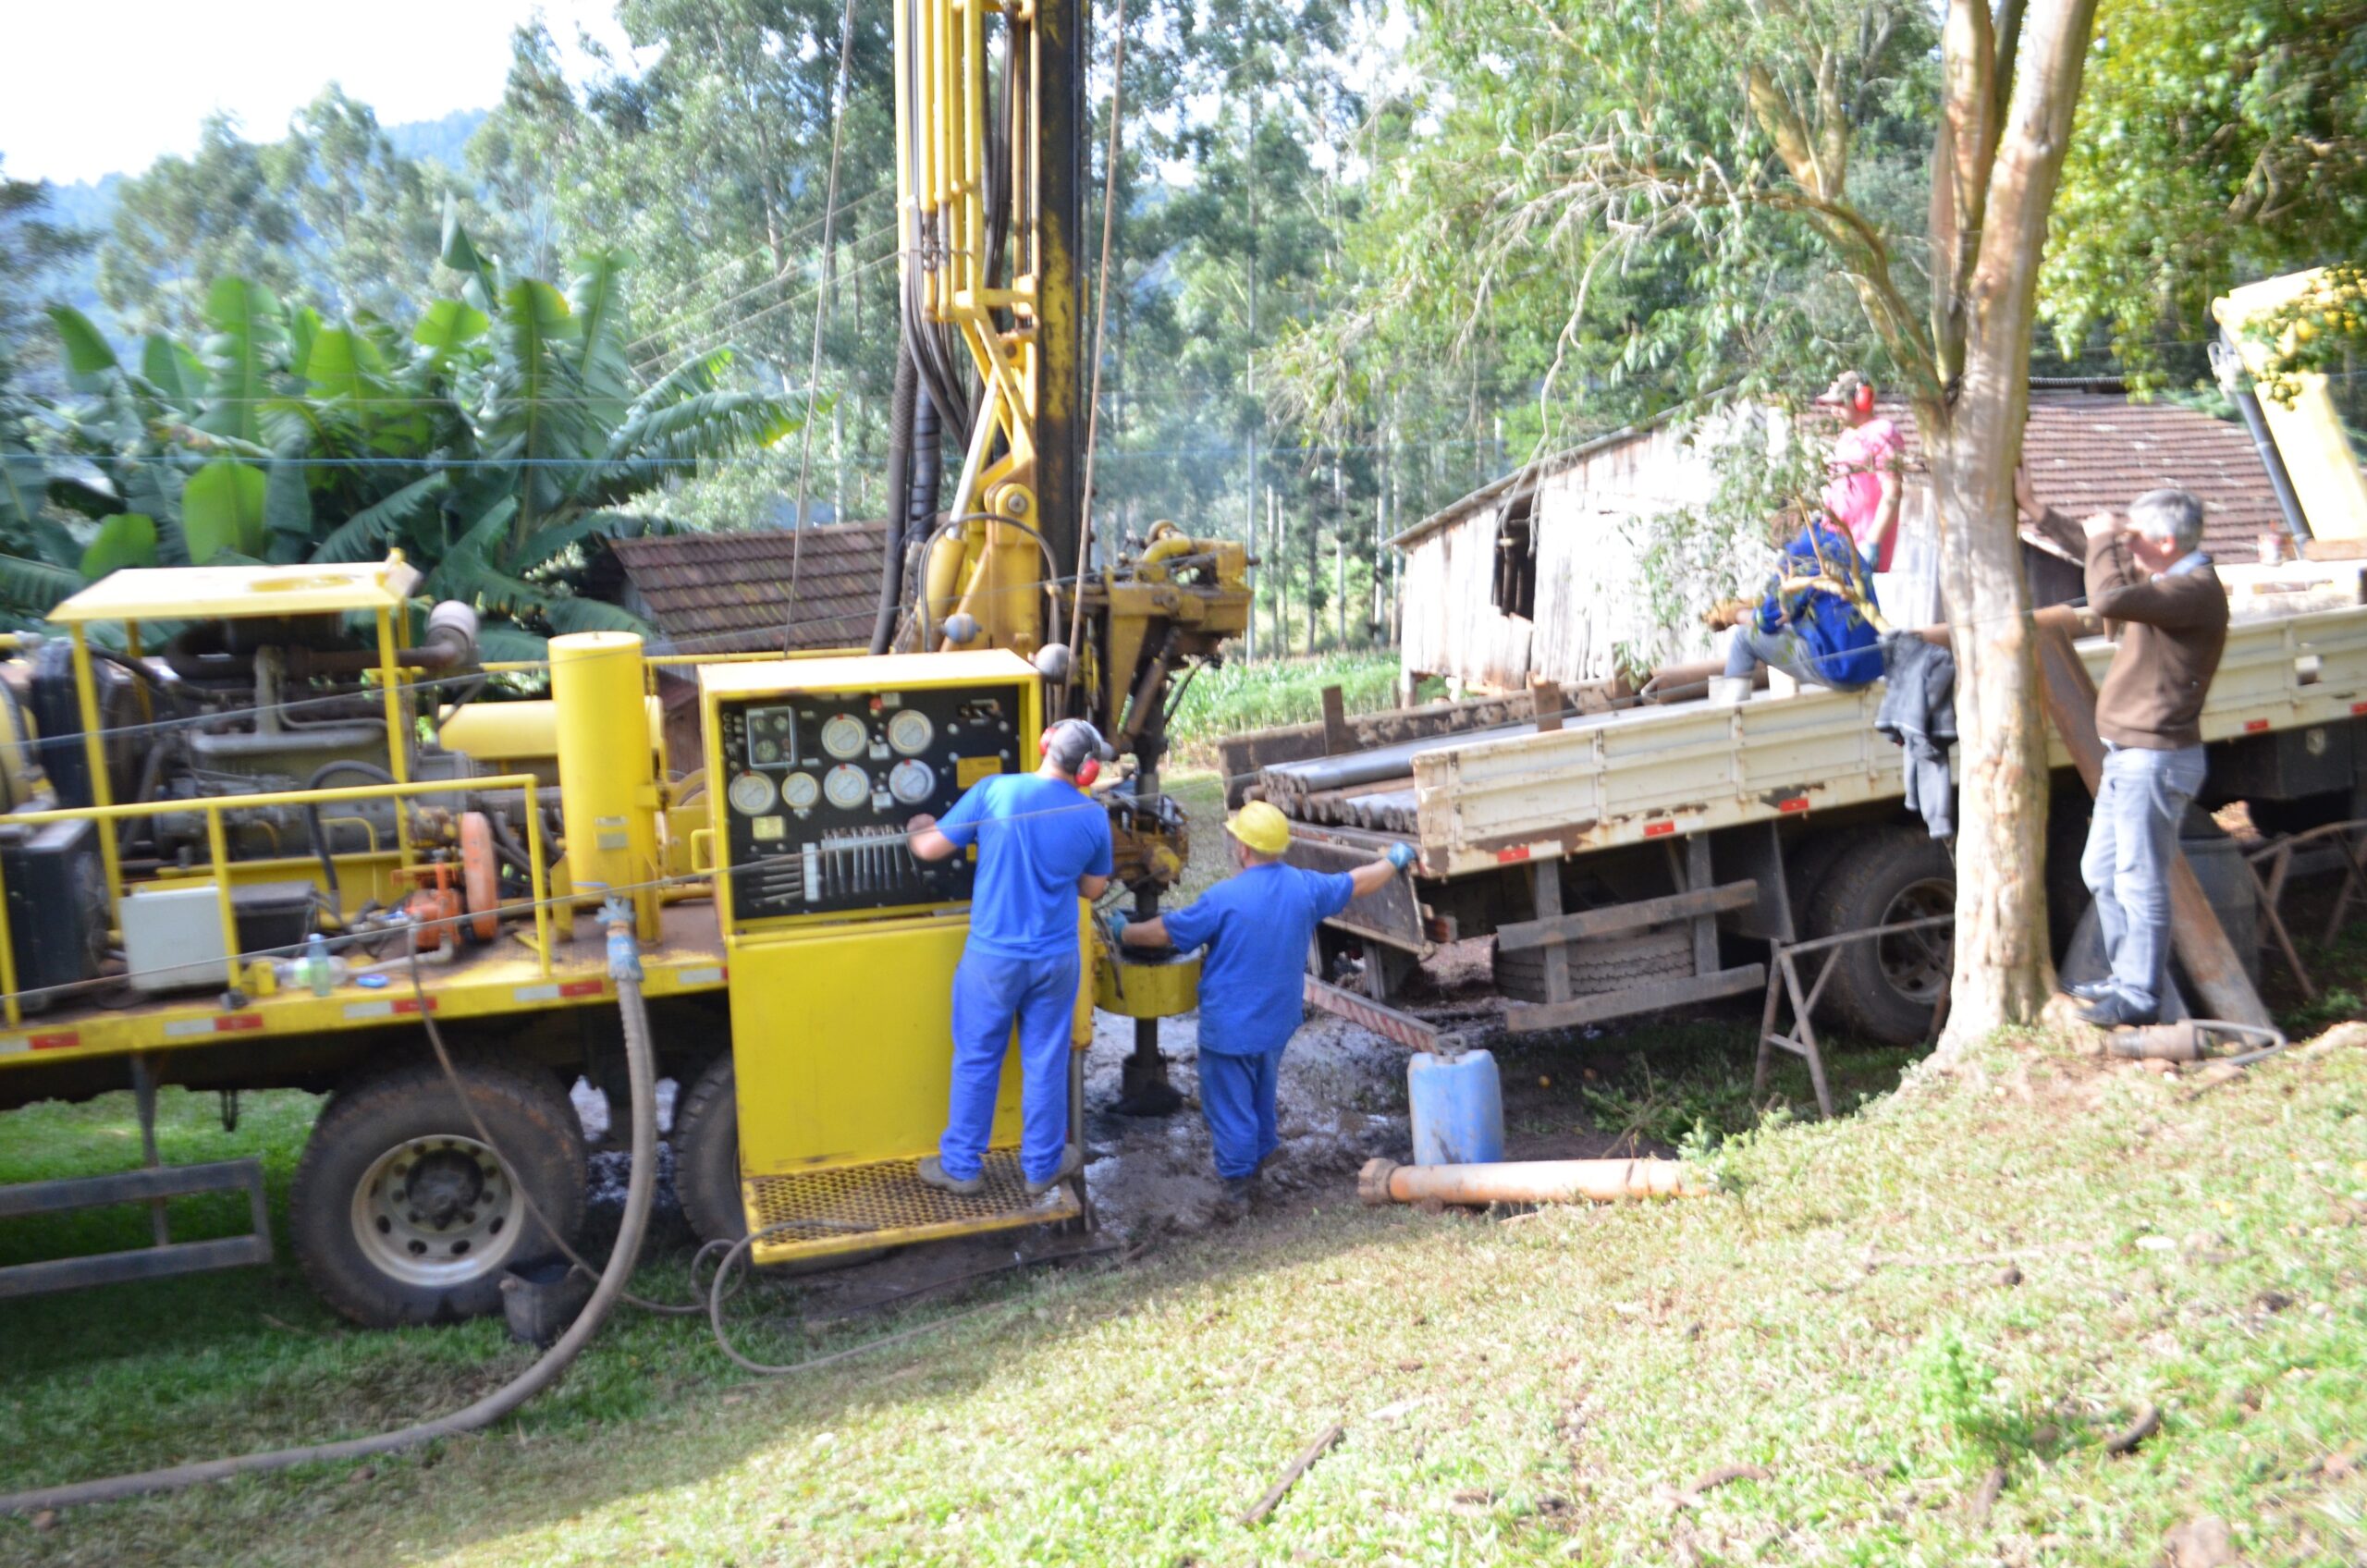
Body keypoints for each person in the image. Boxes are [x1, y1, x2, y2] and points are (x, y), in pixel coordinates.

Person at [1112, 800, 1413, 1219]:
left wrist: (1123, 930)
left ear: (1243, 849)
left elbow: (1164, 933)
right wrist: (1393, 862)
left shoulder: (1224, 898)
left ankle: (1237, 1191)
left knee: (1229, 1104)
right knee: (1260, 1092)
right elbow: (1357, 882)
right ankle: (1259, 1158)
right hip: (1276, 1022)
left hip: (1229, 1027)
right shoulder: (1304, 887)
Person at [907, 718, 1115, 1199]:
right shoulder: (1091, 817)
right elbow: (1092, 888)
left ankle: (961, 1168)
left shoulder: (994, 791)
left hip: (992, 961)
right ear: (1087, 770)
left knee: (977, 1059)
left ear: (1046, 746)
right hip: (1055, 960)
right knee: (1045, 1061)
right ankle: (1042, 1166)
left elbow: (930, 847)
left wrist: (916, 826)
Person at [2066, 487, 2227, 1028]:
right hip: (2128, 757)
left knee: (2139, 876)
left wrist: (2107, 539)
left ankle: (2140, 994)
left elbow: (2106, 597)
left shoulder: (2195, 591)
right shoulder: (2166, 580)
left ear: (2163, 542)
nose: (2126, 545)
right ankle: (2124, 977)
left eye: (2135, 537)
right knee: (2102, 871)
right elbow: (2096, 561)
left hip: (2154, 759)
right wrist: (2041, 512)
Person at [1717, 511, 1886, 692]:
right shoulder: (1837, 540)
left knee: (1744, 637)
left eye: (1768, 524)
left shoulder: (1799, 552)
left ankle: (1729, 715)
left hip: (1842, 671)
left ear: (1792, 517)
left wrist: (1735, 614)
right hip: (1873, 667)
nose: (1765, 533)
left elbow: (1766, 620)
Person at [1817, 371, 1906, 572]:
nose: (1833, 411)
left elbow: (1892, 492)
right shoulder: (1847, 437)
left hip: (1862, 548)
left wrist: (1872, 541)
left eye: (1840, 404)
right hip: (1837, 543)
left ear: (1861, 399)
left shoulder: (1882, 432)